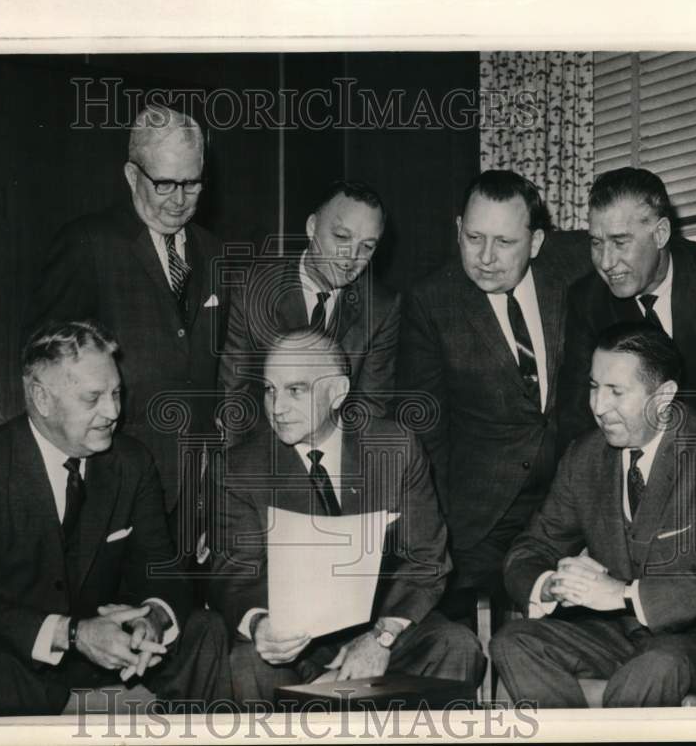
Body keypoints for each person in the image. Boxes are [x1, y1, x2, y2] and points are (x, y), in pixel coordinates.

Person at [491, 322, 696, 708]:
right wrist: (551, 583)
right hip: (623, 638)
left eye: (616, 392)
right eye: (593, 387)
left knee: (654, 666)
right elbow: (531, 547)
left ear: (663, 395)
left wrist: (624, 594)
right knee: (513, 643)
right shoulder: (585, 456)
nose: (598, 408)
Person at [209, 330, 484, 706]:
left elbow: (427, 560)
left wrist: (381, 638)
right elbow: (235, 573)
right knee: (247, 663)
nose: (277, 407)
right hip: (295, 642)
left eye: (295, 390)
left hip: (381, 626)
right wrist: (260, 624)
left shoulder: (394, 449)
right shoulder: (240, 468)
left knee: (457, 644)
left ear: (337, 391)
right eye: (269, 390)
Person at [0, 321, 229, 715]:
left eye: (116, 393)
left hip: (116, 656)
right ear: (41, 398)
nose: (113, 412)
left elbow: (162, 568)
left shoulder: (132, 462)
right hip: (22, 664)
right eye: (93, 398)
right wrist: (71, 634)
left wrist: (152, 618)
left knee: (206, 631)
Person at [24, 105, 228, 559]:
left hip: (195, 492)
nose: (180, 199)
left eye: (192, 182)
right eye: (165, 183)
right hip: (112, 483)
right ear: (132, 175)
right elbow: (44, 367)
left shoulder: (213, 252)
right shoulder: (88, 244)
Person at [397, 170, 591, 617]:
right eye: (473, 237)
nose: (485, 257)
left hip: (571, 499)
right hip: (484, 515)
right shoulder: (431, 303)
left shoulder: (575, 262)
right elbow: (426, 436)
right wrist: (438, 533)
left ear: (537, 242)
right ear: (458, 228)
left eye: (504, 242)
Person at [558, 167, 696, 477]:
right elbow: (576, 417)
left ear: (661, 234)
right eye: (596, 243)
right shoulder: (586, 301)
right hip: (645, 475)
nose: (605, 262)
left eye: (620, 242)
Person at [218, 180, 400, 441]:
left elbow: (371, 411)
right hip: (260, 458)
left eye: (367, 246)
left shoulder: (382, 307)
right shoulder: (251, 289)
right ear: (312, 227)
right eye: (341, 237)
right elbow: (233, 399)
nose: (351, 257)